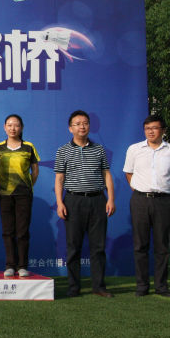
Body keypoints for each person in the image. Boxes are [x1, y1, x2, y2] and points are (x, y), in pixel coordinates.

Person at [123, 115, 170, 298]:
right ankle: (142, 286)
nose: (150, 132)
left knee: (162, 246)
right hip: (140, 200)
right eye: (147, 128)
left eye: (155, 128)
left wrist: (168, 188)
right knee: (140, 245)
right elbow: (128, 172)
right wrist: (137, 188)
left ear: (163, 130)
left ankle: (161, 286)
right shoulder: (134, 149)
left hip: (163, 201)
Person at [54, 110, 116, 298]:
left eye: (85, 123)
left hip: (97, 200)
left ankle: (99, 286)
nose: (82, 126)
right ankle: (74, 287)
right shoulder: (63, 150)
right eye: (78, 123)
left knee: (98, 246)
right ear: (70, 128)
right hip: (73, 201)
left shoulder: (99, 149)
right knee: (73, 246)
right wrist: (59, 203)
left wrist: (111, 199)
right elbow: (59, 179)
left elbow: (106, 175)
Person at [0, 114, 39, 278]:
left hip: (24, 194)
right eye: (9, 125)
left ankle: (22, 266)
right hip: (5, 194)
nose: (13, 128)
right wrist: (4, 183)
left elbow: (35, 171)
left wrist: (26, 185)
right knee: (7, 231)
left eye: (16, 125)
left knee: (22, 231)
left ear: (21, 128)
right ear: (4, 127)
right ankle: (10, 265)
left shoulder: (28, 147)